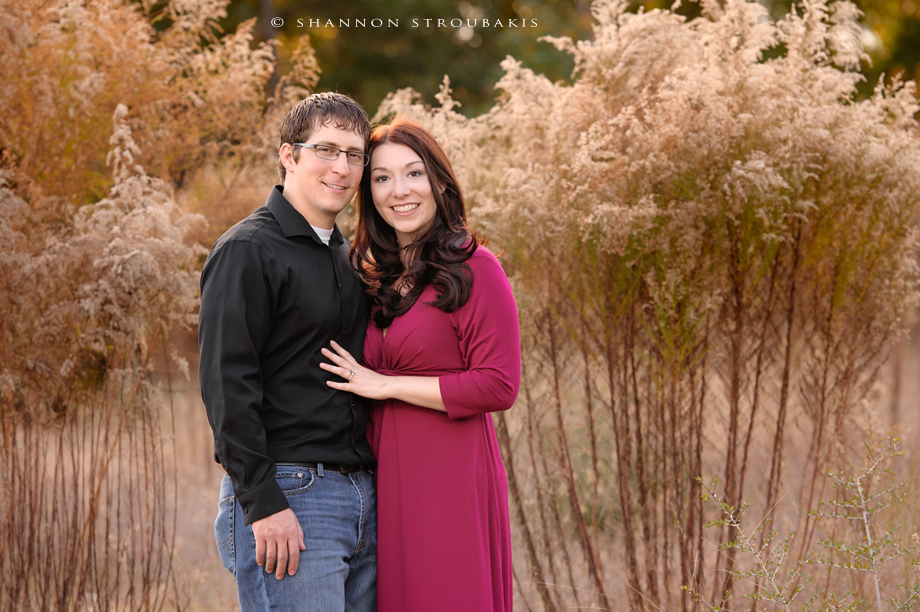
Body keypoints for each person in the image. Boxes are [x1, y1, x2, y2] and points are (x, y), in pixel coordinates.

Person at [320, 117, 521, 612]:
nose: (399, 191)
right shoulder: (371, 275)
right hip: (381, 479)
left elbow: (499, 385)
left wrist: (386, 386)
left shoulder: (477, 268)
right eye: (382, 178)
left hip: (448, 477)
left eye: (413, 174)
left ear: (440, 182)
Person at [198, 92, 376, 612]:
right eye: (325, 150)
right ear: (288, 155)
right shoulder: (247, 250)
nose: (341, 168)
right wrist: (263, 502)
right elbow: (227, 385)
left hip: (363, 495)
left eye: (354, 155)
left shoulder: (349, 258)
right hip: (291, 494)